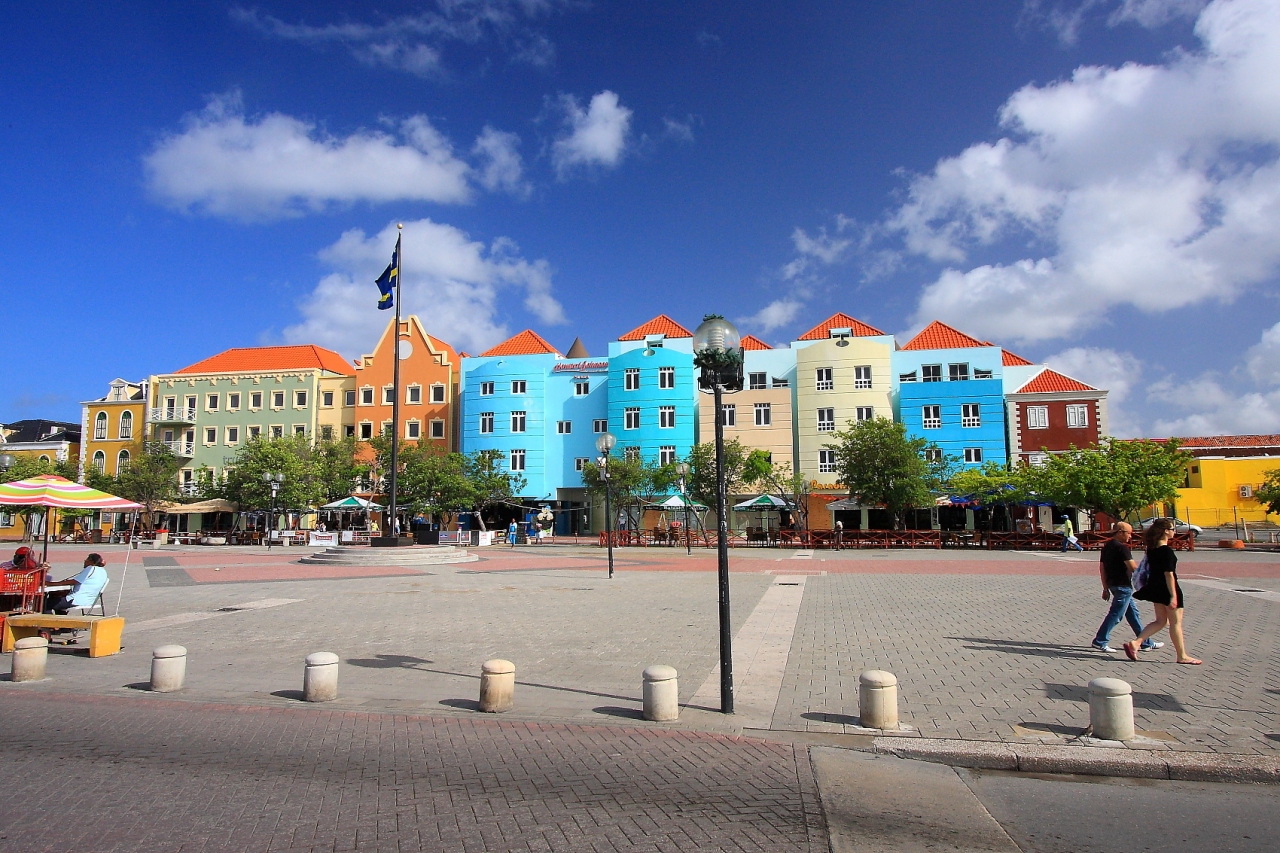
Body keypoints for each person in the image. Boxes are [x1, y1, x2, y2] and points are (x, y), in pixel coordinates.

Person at [1126, 519, 1202, 664]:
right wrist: (1173, 596)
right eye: (1172, 528)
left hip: (1155, 588)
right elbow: (1169, 574)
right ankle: (1182, 655)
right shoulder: (1165, 551)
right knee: (1175, 623)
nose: (1174, 531)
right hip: (1167, 589)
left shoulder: (1152, 549)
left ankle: (1136, 643)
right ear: (1165, 531)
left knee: (1161, 620)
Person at [1091, 523, 1163, 653]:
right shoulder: (1122, 548)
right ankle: (1100, 640)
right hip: (1123, 586)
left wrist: (1105, 587)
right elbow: (1133, 568)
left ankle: (1145, 642)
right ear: (1120, 532)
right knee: (1116, 614)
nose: (1130, 536)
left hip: (1113, 584)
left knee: (1133, 614)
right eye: (1128, 533)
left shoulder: (1107, 547)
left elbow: (1102, 568)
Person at [44, 553, 109, 615]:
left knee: (45, 604)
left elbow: (74, 582)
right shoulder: (103, 571)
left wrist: (52, 583)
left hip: (77, 600)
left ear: (91, 562)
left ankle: (49, 625)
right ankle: (63, 625)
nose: (85, 561)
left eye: (86, 560)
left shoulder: (90, 568)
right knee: (57, 602)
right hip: (89, 601)